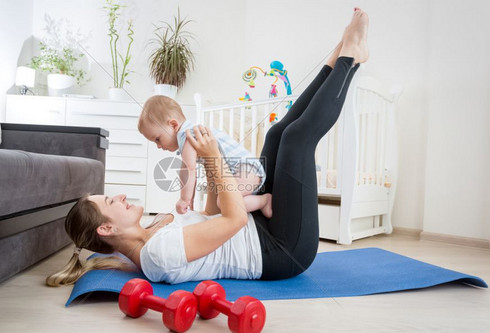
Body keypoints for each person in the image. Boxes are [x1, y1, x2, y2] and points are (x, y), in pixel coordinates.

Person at [46, 8, 369, 286]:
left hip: (263, 228)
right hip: (281, 249)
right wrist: (214, 160)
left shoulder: (155, 229)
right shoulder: (157, 256)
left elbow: (215, 214)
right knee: (297, 140)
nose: (117, 195)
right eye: (108, 200)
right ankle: (350, 59)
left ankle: (335, 59)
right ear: (107, 227)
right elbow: (234, 221)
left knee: (276, 134)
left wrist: (212, 171)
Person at [137, 95, 273, 217]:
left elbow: (189, 170)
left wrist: (184, 199)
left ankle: (263, 201)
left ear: (173, 125)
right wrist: (189, 199)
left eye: (158, 139)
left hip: (245, 168)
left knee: (224, 203)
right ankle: (258, 202)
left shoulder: (188, 135)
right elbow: (186, 172)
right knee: (224, 203)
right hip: (242, 170)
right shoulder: (190, 135)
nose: (158, 146)